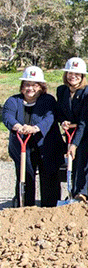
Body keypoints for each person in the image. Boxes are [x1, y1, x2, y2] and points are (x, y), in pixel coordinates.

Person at [3, 66, 64, 207]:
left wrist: (35, 128)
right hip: (23, 147)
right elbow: (7, 116)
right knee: (25, 177)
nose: (30, 88)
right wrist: (18, 127)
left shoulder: (48, 100)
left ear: (41, 87)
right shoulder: (13, 100)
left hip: (46, 146)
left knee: (49, 177)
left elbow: (49, 118)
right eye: (27, 84)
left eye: (35, 85)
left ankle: (50, 209)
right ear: (22, 86)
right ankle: (25, 207)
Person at [55, 57, 88, 200]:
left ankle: (81, 193)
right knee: (67, 157)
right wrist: (63, 121)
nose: (73, 76)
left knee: (81, 153)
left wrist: (74, 144)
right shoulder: (62, 90)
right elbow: (60, 112)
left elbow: (85, 122)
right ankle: (69, 191)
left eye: (77, 74)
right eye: (70, 73)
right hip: (71, 130)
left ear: (82, 76)